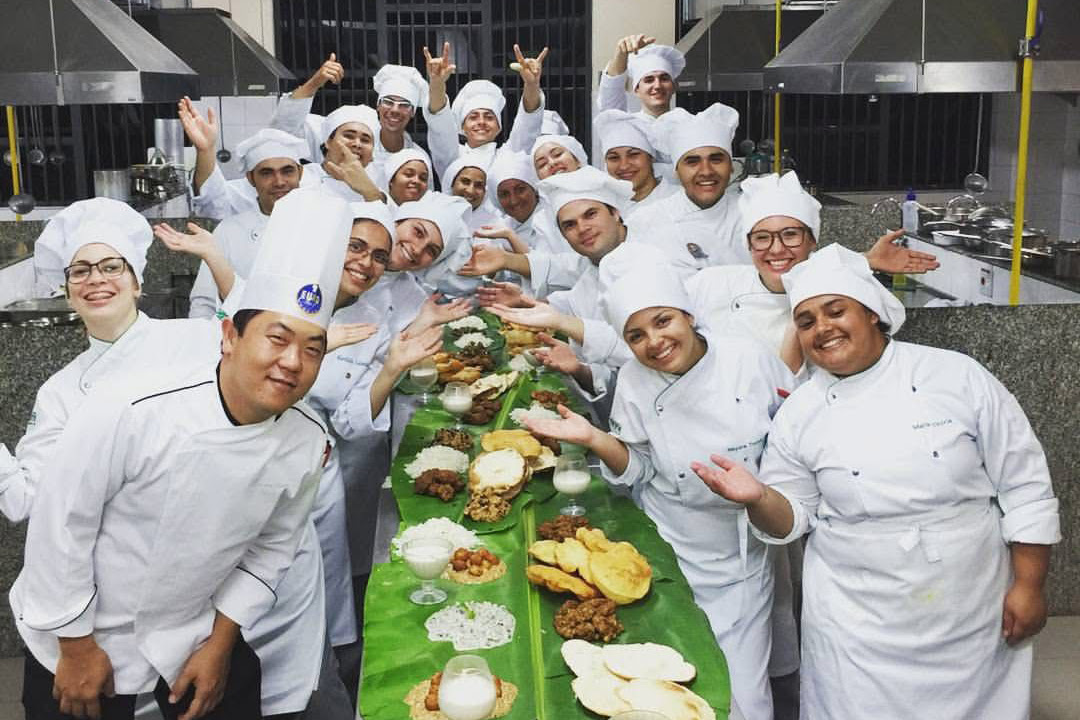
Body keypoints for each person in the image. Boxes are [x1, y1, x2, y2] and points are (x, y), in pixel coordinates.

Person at [10, 191, 356, 720]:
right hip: (85, 634)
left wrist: (219, 644)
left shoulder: (307, 439)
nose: (292, 362)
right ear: (228, 337)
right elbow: (59, 525)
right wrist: (75, 646)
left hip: (192, 634)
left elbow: (272, 547)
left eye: (312, 348)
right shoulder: (124, 407)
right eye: (277, 339)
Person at [693, 244, 1061, 720]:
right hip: (855, 616)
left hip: (968, 599)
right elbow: (792, 519)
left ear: (872, 313)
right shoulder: (799, 412)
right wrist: (759, 497)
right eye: (805, 321)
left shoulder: (955, 375)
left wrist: (1030, 584)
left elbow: (1025, 484)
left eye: (835, 310)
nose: (822, 328)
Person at [523, 243, 793, 720]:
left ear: (688, 316)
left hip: (740, 560)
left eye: (664, 322)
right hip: (665, 548)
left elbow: (792, 435)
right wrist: (593, 437)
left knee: (741, 698)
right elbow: (641, 466)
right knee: (664, 689)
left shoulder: (748, 359)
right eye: (636, 335)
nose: (654, 342)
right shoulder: (634, 380)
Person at [3, 199, 223, 522]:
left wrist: (216, 258)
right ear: (67, 293)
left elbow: (261, 338)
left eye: (111, 267)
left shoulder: (194, 340)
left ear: (137, 284)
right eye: (80, 271)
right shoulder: (60, 392)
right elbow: (25, 501)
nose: (95, 279)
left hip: (208, 537)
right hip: (119, 562)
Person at [687, 171, 940, 373]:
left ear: (812, 240)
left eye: (791, 235)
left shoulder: (834, 297)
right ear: (749, 244)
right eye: (762, 238)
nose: (776, 249)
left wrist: (863, 261)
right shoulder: (711, 284)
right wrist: (865, 258)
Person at [470, 167, 637, 412]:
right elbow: (572, 291)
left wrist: (562, 322)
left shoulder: (647, 261)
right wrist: (523, 300)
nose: (582, 228)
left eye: (591, 214)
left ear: (615, 212)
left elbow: (637, 348)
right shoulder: (594, 266)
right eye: (570, 225)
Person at [188, 128, 309, 318]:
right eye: (267, 173)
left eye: (287, 171)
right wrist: (207, 340)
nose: (279, 182)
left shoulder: (322, 225)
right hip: (241, 337)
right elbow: (205, 301)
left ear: (300, 173)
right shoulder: (230, 230)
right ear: (251, 178)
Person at [629, 102, 748, 276]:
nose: (706, 171)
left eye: (716, 160)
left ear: (731, 167)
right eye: (692, 162)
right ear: (676, 171)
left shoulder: (751, 214)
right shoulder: (646, 222)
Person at [422, 41, 547, 183]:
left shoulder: (509, 155)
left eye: (489, 117)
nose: (481, 122)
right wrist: (437, 84)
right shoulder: (452, 156)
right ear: (462, 126)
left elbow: (528, 123)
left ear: (499, 126)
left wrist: (532, 84)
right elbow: (440, 125)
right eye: (473, 117)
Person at [593, 108, 677, 220]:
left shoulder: (678, 200)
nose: (624, 166)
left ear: (651, 157)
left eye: (633, 155)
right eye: (614, 157)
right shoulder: (601, 205)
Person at [596, 36, 685, 120]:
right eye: (649, 80)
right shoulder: (628, 126)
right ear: (637, 89)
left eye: (664, 79)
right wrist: (621, 54)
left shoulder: (689, 125)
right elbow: (610, 107)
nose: (657, 86)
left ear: (674, 87)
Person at [371, 63, 430, 161]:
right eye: (388, 102)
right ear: (378, 105)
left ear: (413, 112)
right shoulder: (359, 150)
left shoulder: (419, 157)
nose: (395, 110)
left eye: (404, 105)